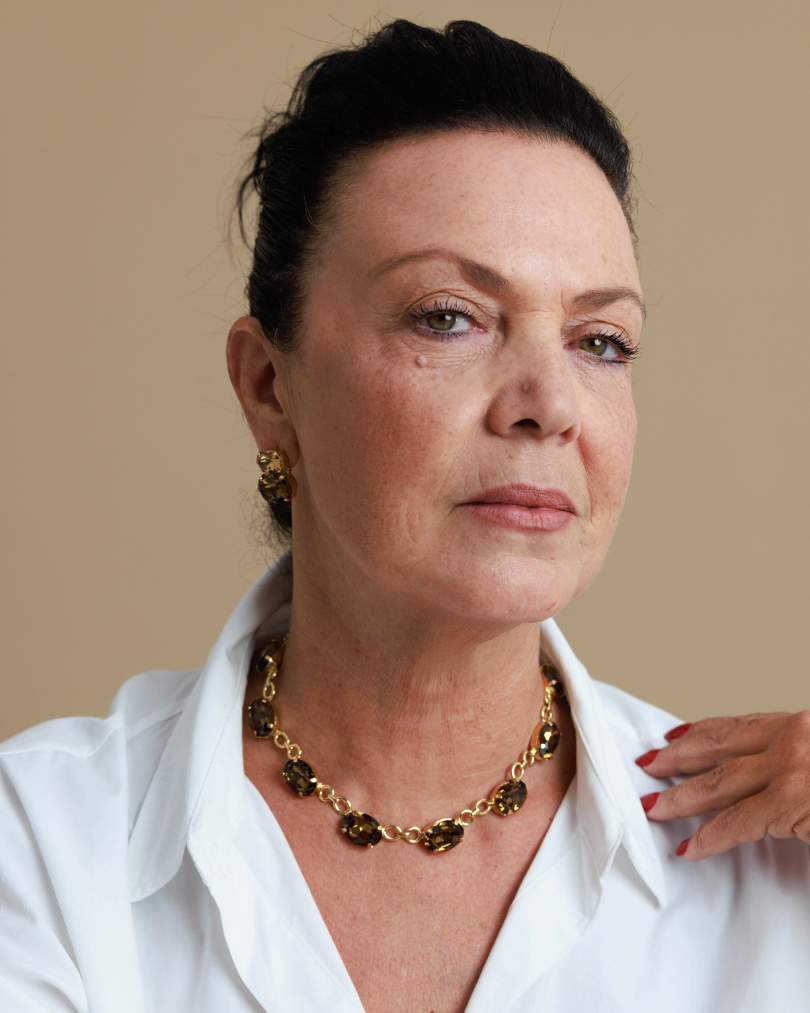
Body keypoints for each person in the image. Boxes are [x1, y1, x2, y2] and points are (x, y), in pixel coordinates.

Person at [1, 18, 808, 1013]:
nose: (547, 403)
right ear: (268, 384)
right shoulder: (39, 845)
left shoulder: (773, 870)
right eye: (447, 317)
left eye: (601, 340)